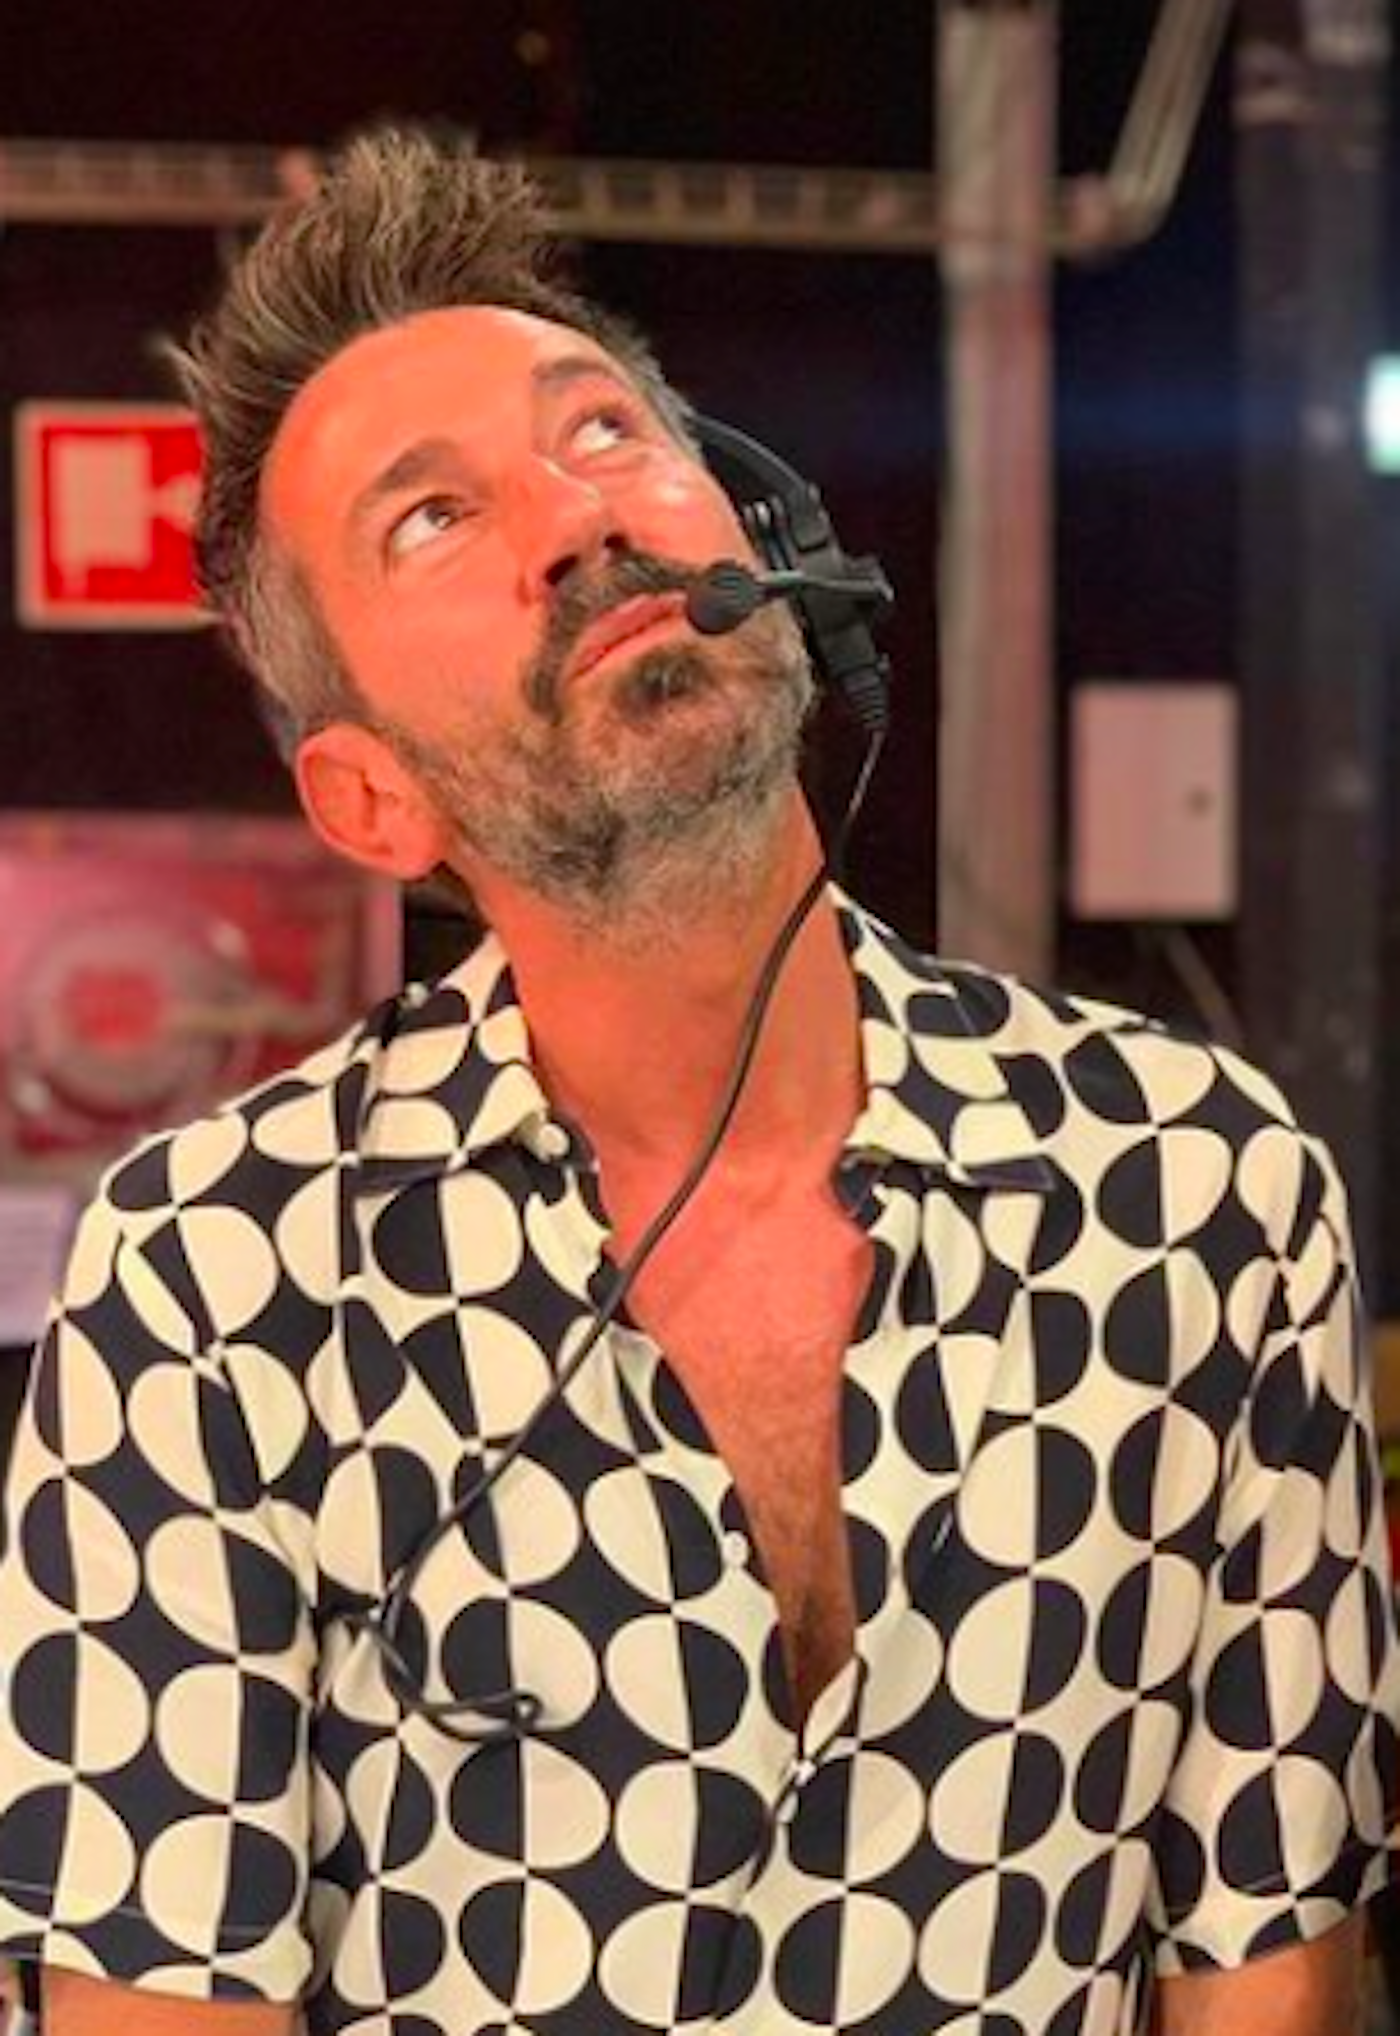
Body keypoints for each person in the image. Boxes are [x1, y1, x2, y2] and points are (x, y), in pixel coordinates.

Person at [0, 128, 1395, 2036]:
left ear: (776, 551)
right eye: (432, 518)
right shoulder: (218, 1277)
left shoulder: (1199, 1185)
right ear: (370, 797)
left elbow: (1268, 1963)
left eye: (604, 431)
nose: (579, 519)